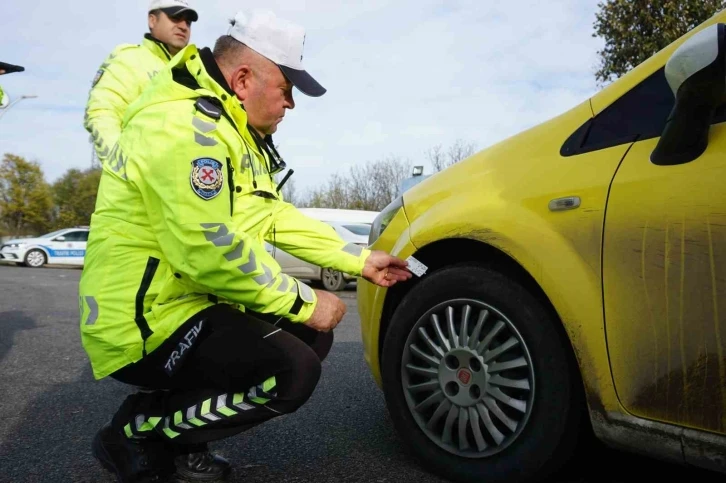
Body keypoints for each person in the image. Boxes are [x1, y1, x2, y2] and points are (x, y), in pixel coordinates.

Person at [79, 8, 412, 483]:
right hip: (142, 321)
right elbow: (206, 248)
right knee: (292, 371)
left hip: (187, 301)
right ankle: (137, 430)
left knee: (308, 337)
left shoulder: (231, 129)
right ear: (241, 80)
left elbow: (269, 214)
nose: (290, 104)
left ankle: (181, 436)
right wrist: (302, 300)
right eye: (286, 89)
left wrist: (359, 259)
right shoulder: (187, 128)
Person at [84, 0, 198, 165]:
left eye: (188, 22)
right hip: (140, 183)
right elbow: (101, 113)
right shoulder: (130, 59)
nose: (183, 26)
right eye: (175, 18)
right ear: (152, 20)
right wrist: (122, 168)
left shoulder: (194, 72)